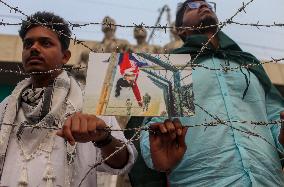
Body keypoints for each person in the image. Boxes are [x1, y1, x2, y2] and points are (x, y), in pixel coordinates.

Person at [140, 0, 284, 186]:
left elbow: (274, 119)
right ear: (180, 30)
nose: (202, 5)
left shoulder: (248, 64)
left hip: (266, 179)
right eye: (191, 6)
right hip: (202, 180)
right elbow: (152, 130)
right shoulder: (172, 68)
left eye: (207, 3)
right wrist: (155, 151)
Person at [0, 11, 137, 187]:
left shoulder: (90, 101)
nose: (34, 48)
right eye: (28, 44)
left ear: (65, 57)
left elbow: (122, 163)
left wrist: (104, 138)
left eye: (45, 43)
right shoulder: (6, 108)